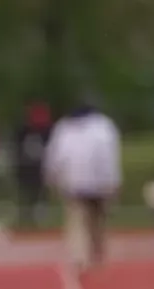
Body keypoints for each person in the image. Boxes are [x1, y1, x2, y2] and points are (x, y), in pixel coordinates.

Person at [43, 100, 122, 271]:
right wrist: (113, 182)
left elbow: (55, 157)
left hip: (76, 182)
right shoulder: (104, 126)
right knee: (94, 221)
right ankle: (93, 255)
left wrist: (52, 178)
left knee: (80, 222)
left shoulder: (65, 128)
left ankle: (81, 256)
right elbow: (109, 157)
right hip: (97, 183)